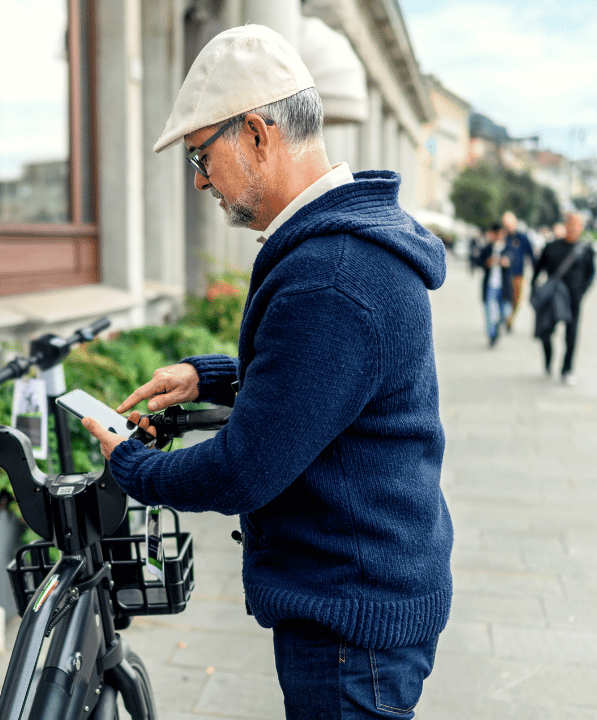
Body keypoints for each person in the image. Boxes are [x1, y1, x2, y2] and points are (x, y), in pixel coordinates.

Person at [78, 24, 451, 720]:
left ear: (256, 134)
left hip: (348, 622)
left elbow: (243, 469)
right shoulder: (343, 251)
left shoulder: (331, 276)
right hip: (366, 591)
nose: (197, 179)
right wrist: (212, 375)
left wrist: (132, 464)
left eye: (200, 154)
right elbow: (318, 384)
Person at [532, 212, 595, 385]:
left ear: (581, 228)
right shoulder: (552, 247)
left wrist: (582, 292)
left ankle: (567, 369)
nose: (574, 228)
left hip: (574, 299)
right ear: (566, 225)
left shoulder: (586, 249)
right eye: (571, 224)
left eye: (578, 225)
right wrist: (534, 289)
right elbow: (538, 270)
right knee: (545, 331)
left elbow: (591, 274)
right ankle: (548, 358)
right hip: (553, 298)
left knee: (571, 335)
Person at [473, 223, 515, 346]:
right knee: (489, 312)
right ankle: (492, 335)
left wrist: (506, 262)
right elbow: (479, 261)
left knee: (506, 311)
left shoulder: (509, 248)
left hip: (504, 286)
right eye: (497, 234)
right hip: (490, 285)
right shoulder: (487, 248)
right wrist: (487, 263)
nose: (499, 236)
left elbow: (513, 260)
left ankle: (498, 325)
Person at [501, 211, 537, 330]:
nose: (508, 226)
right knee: (505, 297)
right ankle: (505, 316)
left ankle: (510, 318)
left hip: (518, 274)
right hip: (503, 275)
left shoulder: (522, 237)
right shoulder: (502, 237)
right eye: (506, 224)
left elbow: (531, 255)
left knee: (517, 299)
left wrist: (536, 271)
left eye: (510, 223)